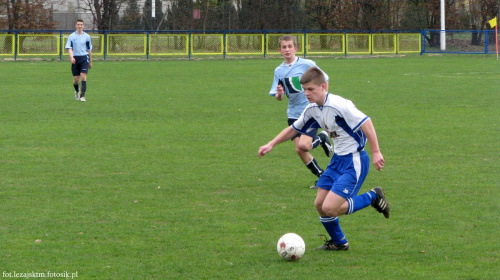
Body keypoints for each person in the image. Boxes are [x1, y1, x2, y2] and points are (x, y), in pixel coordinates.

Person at [259, 67, 390, 251]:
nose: (306, 94)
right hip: (337, 160)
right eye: (304, 90)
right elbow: (294, 129)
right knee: (320, 204)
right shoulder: (312, 109)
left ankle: (373, 196)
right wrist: (271, 144)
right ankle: (339, 242)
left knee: (331, 208)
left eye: (310, 89)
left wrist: (376, 152)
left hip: (354, 160)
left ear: (323, 86)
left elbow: (366, 122)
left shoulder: (339, 105)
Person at [269, 35, 333, 187]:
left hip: (310, 112)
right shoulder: (279, 71)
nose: (287, 50)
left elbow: (325, 79)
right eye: (284, 47)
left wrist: (322, 101)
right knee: (300, 150)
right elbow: (279, 98)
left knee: (304, 145)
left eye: (290, 46)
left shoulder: (307, 64)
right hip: (293, 113)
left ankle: (322, 139)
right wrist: (279, 93)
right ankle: (322, 177)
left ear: (295, 48)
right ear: (280, 50)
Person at [65, 19, 92, 102]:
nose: (80, 26)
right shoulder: (71, 36)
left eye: (81, 24)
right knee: (76, 79)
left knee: (83, 76)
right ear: (76, 26)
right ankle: (76, 91)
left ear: (83, 26)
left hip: (84, 58)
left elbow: (89, 50)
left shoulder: (87, 37)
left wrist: (90, 61)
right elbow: (69, 48)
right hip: (75, 58)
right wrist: (72, 57)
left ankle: (82, 96)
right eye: (78, 24)